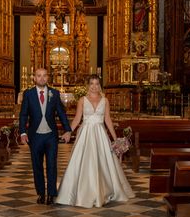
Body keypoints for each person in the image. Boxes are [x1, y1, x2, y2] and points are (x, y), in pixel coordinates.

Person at [56, 75, 135, 208]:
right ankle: (81, 192)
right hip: (85, 134)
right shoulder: (82, 100)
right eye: (91, 83)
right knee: (84, 162)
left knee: (103, 163)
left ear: (99, 85)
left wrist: (115, 139)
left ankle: (105, 191)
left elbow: (108, 120)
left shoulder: (105, 100)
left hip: (100, 134)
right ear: (88, 85)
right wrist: (69, 131)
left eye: (96, 83)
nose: (94, 86)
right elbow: (77, 119)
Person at [19, 68, 72, 205]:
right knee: (37, 166)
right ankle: (41, 193)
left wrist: (67, 130)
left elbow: (61, 113)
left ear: (47, 77)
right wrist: (23, 132)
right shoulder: (29, 94)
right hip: (35, 136)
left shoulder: (54, 93)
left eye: (44, 75)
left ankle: (51, 194)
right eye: (39, 76)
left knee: (52, 165)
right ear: (34, 78)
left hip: (50, 136)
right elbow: (23, 114)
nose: (42, 78)